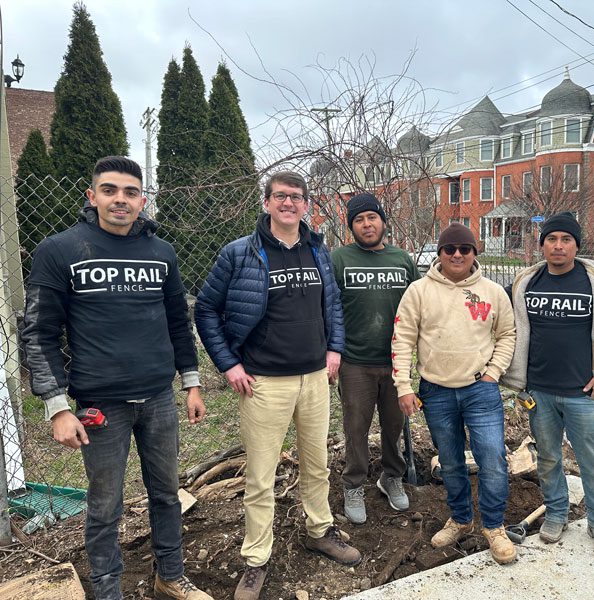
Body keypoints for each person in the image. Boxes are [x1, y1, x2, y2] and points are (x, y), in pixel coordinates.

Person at [21, 156, 211, 600]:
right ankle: (108, 591)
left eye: (130, 192)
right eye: (109, 190)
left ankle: (171, 575)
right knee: (105, 505)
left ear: (142, 200)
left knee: (166, 492)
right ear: (92, 196)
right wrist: (57, 406)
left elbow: (177, 322)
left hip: (158, 398)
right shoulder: (60, 250)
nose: (120, 200)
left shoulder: (160, 252)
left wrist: (192, 382)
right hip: (99, 405)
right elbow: (39, 331)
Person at [194, 171, 360, 600]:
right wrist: (228, 364)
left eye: (297, 197)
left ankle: (319, 530)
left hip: (314, 378)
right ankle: (256, 559)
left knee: (317, 464)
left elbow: (333, 305)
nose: (289, 203)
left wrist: (334, 348)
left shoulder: (318, 250)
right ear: (266, 202)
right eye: (281, 196)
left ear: (307, 205)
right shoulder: (240, 253)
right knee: (262, 477)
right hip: (263, 383)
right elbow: (207, 310)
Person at [501, 211, 594, 557]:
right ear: (541, 244)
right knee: (548, 459)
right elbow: (493, 311)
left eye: (565, 240)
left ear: (576, 245)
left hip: (583, 392)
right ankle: (556, 514)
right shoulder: (526, 283)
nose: (558, 246)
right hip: (538, 391)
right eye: (551, 239)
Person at [392, 223, 517, 565]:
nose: (457, 255)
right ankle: (461, 519)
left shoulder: (492, 292)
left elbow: (507, 334)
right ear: (440, 254)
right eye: (450, 249)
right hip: (436, 392)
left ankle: (494, 526)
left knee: (491, 458)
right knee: (450, 462)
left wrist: (493, 373)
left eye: (465, 248)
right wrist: (404, 387)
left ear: (475, 253)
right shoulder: (419, 291)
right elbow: (402, 340)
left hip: (481, 390)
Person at [331, 193, 420, 523]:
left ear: (383, 221)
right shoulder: (339, 259)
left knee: (394, 424)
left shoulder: (402, 260)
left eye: (372, 217)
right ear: (351, 226)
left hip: (397, 362)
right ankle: (354, 483)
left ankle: (391, 477)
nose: (366, 224)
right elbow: (329, 308)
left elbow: (417, 307)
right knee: (356, 427)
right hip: (355, 361)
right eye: (359, 220)